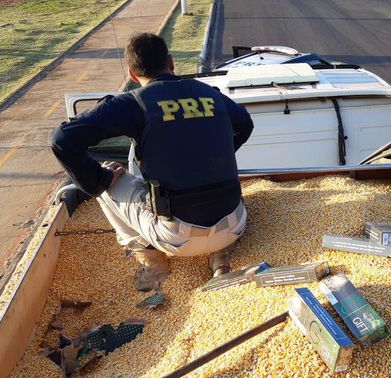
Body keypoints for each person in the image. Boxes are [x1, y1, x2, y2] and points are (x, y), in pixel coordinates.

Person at [51, 32, 254, 291]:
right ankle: (220, 257)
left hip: (175, 238)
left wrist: (98, 180)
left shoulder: (135, 103)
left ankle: (153, 265)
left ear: (133, 75)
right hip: (235, 224)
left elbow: (62, 140)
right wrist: (218, 155)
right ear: (171, 62)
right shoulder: (210, 94)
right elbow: (245, 124)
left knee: (104, 180)